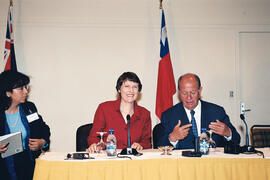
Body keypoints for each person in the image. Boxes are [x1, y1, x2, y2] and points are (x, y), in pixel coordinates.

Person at [157, 73, 240, 149]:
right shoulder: (169, 115)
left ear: (200, 91)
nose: (189, 97)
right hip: (183, 164)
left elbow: (237, 139)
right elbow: (159, 146)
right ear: (179, 93)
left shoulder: (216, 112)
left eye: (193, 92)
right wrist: (172, 138)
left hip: (212, 163)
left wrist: (228, 133)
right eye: (184, 93)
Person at [0, 70, 51, 180]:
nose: (26, 92)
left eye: (25, 87)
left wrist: (43, 142)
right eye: (20, 88)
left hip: (29, 163)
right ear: (8, 93)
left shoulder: (29, 108)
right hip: (4, 168)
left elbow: (44, 129)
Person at [87, 72, 152, 153]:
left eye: (135, 87)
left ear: (138, 90)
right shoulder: (104, 108)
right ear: (119, 89)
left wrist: (140, 145)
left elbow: (147, 142)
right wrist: (94, 145)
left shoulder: (145, 114)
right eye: (127, 86)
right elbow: (94, 137)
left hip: (134, 160)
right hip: (109, 159)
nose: (131, 90)